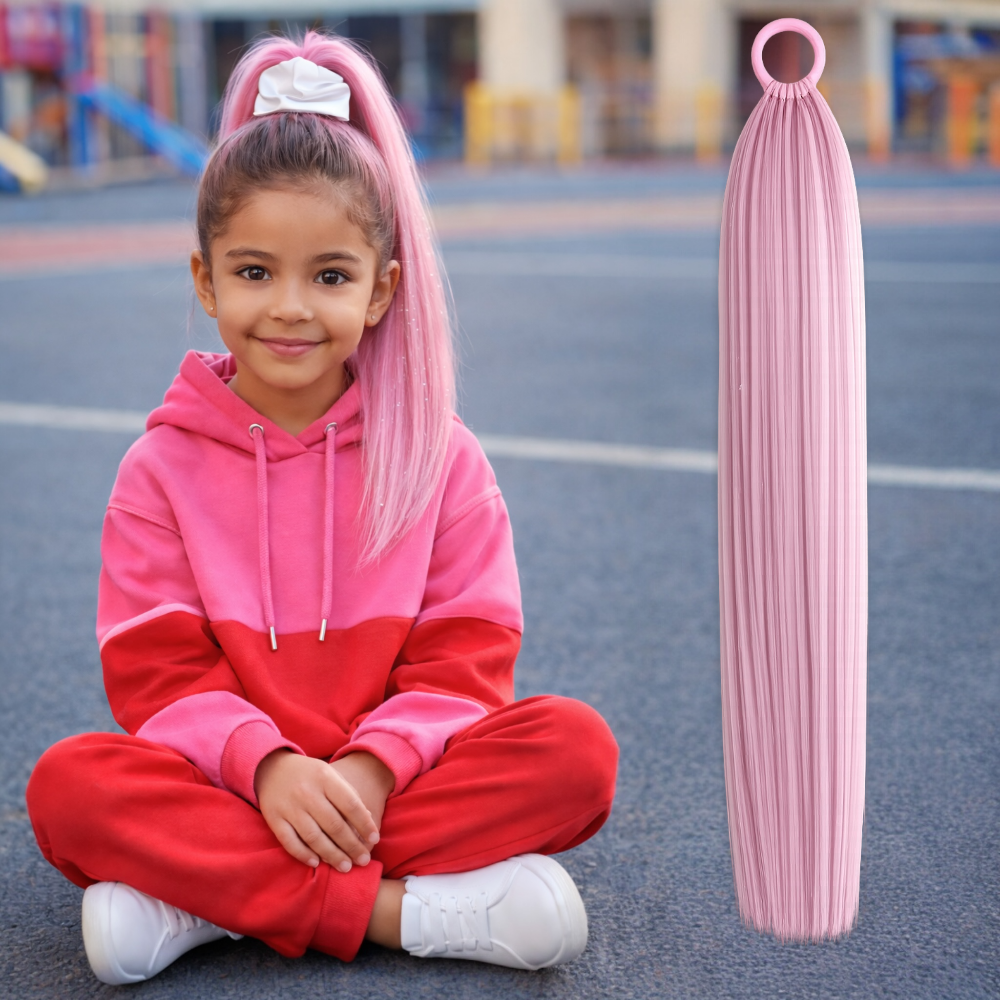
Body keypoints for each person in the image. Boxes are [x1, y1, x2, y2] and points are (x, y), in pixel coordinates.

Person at [25, 32, 618, 986]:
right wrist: (268, 769)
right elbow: (158, 678)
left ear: (382, 290)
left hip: (394, 783)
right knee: (70, 788)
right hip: (232, 781)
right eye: (254, 272)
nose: (291, 308)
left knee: (574, 753)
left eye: (330, 276)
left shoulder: (440, 458)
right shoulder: (158, 470)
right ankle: (405, 913)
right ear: (205, 280)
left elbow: (466, 664)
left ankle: (206, 900)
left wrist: (366, 773)